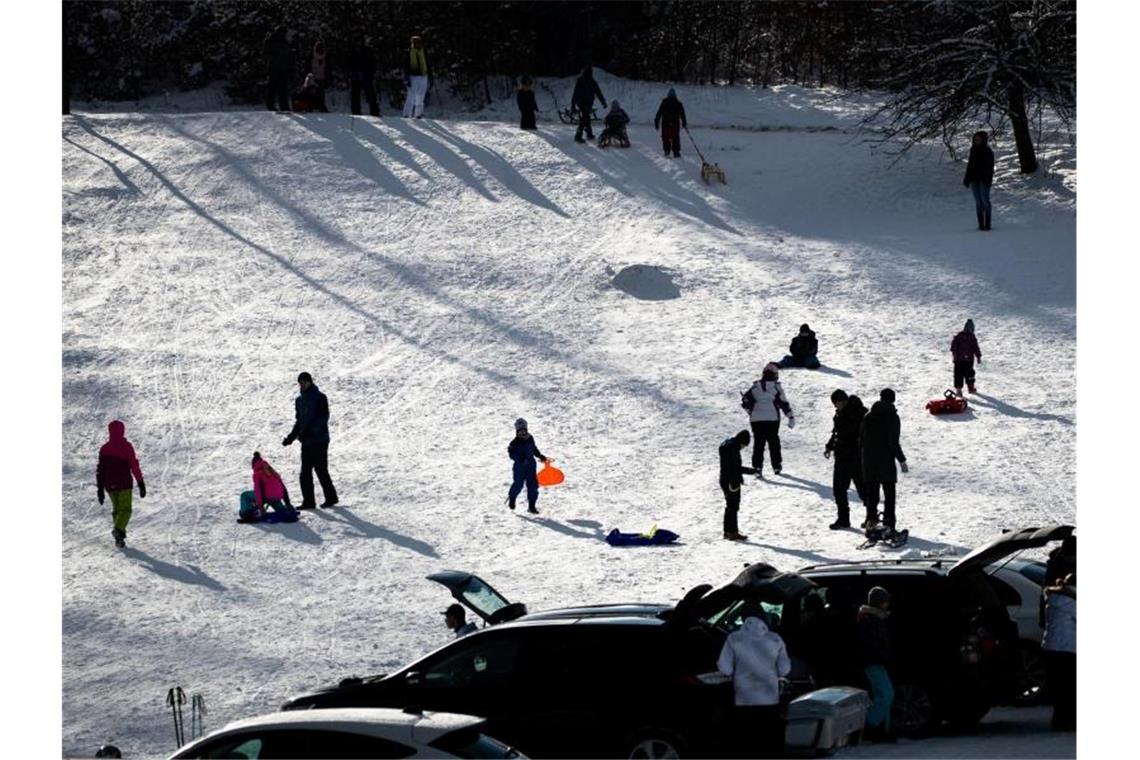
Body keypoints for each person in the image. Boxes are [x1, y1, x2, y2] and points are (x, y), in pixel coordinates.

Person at [717, 605, 791, 758]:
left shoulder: (734, 639)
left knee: (746, 746)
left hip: (743, 701)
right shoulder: (775, 638)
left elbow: (725, 669)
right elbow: (784, 670)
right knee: (769, 746)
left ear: (743, 619)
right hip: (770, 701)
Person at [282, 372, 338, 509]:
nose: (301, 385)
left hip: (319, 440)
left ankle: (331, 498)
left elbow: (323, 417)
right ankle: (309, 501)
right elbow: (299, 422)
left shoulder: (320, 398)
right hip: (306, 442)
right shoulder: (299, 401)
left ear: (309, 382)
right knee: (305, 473)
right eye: (300, 382)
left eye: (303, 382)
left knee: (321, 470)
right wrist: (291, 438)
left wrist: (311, 430)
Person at [859, 389, 907, 532]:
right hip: (886, 461)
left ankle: (871, 521)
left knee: (872, 494)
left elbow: (861, 439)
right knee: (889, 494)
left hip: (869, 461)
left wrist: (862, 458)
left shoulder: (868, 416)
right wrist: (902, 460)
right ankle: (889, 523)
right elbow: (893, 442)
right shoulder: (892, 417)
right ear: (893, 400)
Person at [96, 420, 147, 548]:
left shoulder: (104, 449)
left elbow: (100, 469)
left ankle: (119, 539)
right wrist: (140, 482)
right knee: (126, 510)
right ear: (122, 431)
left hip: (109, 485)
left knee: (117, 510)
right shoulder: (126, 447)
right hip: (124, 484)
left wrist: (100, 488)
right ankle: (118, 530)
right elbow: (134, 465)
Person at [857, 587, 896, 743]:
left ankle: (883, 729)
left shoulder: (873, 618)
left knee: (881, 695)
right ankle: (871, 725)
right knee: (887, 694)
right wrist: (885, 656)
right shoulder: (870, 619)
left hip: (876, 661)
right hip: (873, 662)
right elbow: (872, 644)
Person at [824, 390, 867, 530]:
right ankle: (843, 519)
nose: (836, 406)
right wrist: (830, 446)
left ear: (844, 401)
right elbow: (837, 432)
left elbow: (850, 434)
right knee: (839, 490)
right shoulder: (840, 414)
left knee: (863, 490)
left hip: (855, 458)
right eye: (835, 404)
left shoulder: (855, 413)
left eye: (837, 403)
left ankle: (871, 517)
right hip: (842, 457)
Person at [742, 363, 795, 477]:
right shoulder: (776, 386)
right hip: (772, 418)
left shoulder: (755, 386)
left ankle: (757, 467)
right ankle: (776, 466)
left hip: (756, 418)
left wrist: (751, 410)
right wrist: (790, 416)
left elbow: (746, 401)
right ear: (775, 375)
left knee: (758, 443)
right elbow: (783, 402)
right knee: (773, 441)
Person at [1041, 573, 1076, 731]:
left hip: (1052, 648)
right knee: (1070, 687)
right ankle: (1067, 721)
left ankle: (1060, 720)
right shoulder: (1072, 603)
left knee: (1060, 687)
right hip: (1068, 649)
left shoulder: (1054, 599)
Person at [719, 430, 756, 541]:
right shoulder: (733, 449)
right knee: (733, 506)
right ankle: (732, 532)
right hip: (732, 481)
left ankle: (727, 531)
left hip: (725, 479)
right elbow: (735, 468)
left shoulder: (727, 445)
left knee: (729, 505)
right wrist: (751, 471)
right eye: (743, 445)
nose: (743, 447)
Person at [238, 452, 297, 523]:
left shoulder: (257, 474)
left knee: (245, 495)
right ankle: (285, 510)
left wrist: (261, 508)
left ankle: (246, 514)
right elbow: (283, 488)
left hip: (266, 497)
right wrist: (288, 503)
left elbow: (258, 492)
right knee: (281, 510)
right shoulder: (272, 471)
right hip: (276, 498)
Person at [507, 418, 547, 513]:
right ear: (517, 431)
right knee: (518, 484)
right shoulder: (514, 443)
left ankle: (531, 506)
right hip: (519, 467)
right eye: (520, 431)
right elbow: (512, 455)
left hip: (530, 466)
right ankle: (512, 498)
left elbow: (533, 448)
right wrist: (520, 459)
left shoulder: (530, 438)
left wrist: (540, 455)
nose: (523, 432)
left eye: (524, 430)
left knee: (533, 485)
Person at [963, 130, 995, 230]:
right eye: (975, 139)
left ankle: (988, 224)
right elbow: (970, 165)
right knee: (978, 202)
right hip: (974, 179)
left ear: (983, 140)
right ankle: (981, 224)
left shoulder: (987, 151)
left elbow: (990, 167)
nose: (977, 141)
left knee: (985, 200)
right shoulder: (973, 150)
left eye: (979, 139)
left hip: (984, 180)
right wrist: (967, 178)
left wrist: (987, 179)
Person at [572, 65, 607, 143]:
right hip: (587, 103)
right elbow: (598, 92)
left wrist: (573, 104)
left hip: (580, 102)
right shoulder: (592, 81)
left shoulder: (580, 80)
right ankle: (578, 135)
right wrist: (603, 102)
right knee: (584, 118)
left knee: (586, 118)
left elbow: (575, 93)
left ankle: (589, 134)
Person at [347, 35, 380, 117]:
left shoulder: (367, 50)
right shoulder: (351, 51)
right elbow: (348, 63)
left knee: (371, 95)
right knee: (355, 95)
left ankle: (374, 111)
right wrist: (350, 73)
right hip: (355, 76)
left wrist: (372, 73)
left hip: (366, 75)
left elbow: (372, 62)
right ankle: (355, 111)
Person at [263, 25, 292, 112]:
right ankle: (271, 105)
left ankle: (284, 106)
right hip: (274, 67)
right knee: (273, 87)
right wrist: (273, 59)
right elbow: (266, 54)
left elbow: (288, 55)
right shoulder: (271, 40)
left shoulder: (284, 41)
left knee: (283, 88)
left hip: (283, 68)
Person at [950, 319, 982, 396]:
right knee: (964, 374)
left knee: (964, 374)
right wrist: (978, 356)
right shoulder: (966, 337)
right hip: (964, 360)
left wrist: (978, 355)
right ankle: (965, 389)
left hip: (963, 360)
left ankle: (965, 389)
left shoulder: (965, 336)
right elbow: (975, 347)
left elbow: (975, 347)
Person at [654, 87, 687, 158]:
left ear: (668, 95)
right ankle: (676, 152)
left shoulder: (664, 102)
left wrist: (656, 122)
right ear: (675, 95)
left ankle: (667, 150)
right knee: (675, 137)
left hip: (666, 123)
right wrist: (684, 123)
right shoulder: (678, 103)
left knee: (665, 137)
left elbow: (659, 113)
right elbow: (682, 114)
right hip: (675, 124)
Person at [403, 35, 429, 118]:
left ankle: (418, 114)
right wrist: (406, 77)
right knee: (411, 95)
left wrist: (430, 75)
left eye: (418, 42)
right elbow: (405, 66)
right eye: (414, 42)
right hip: (413, 76)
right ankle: (407, 114)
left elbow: (428, 63)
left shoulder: (424, 51)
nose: (417, 44)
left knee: (421, 96)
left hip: (423, 76)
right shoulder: (409, 52)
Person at [309, 39, 329, 113]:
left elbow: (327, 68)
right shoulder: (311, 56)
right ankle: (315, 107)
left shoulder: (325, 57)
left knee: (320, 93)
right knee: (314, 93)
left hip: (321, 77)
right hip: (313, 77)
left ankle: (321, 107)